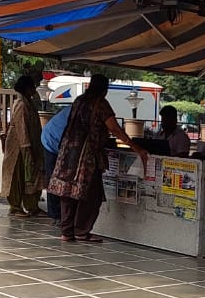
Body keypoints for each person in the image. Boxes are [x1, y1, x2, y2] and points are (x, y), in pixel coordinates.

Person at [47, 73, 148, 243]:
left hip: (67, 151)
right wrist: (136, 147)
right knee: (92, 193)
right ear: (104, 89)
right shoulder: (100, 104)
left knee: (67, 191)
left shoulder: (79, 100)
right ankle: (81, 231)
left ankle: (67, 231)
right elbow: (114, 129)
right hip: (86, 155)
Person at [1, 73, 46, 216]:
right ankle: (15, 207)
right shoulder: (21, 104)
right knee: (17, 176)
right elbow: (22, 128)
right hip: (19, 147)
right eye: (32, 86)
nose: (34, 89)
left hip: (31, 145)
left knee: (33, 176)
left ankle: (32, 205)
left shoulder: (29, 103)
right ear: (26, 88)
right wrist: (26, 147)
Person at [40, 99, 71, 225]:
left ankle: (61, 214)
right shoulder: (78, 113)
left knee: (58, 178)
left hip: (60, 143)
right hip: (51, 142)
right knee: (53, 178)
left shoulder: (78, 109)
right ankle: (55, 215)